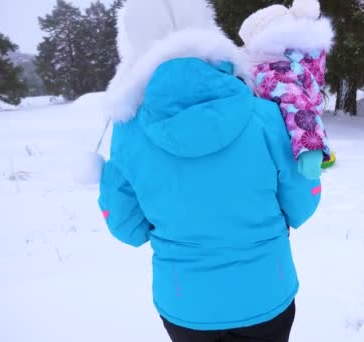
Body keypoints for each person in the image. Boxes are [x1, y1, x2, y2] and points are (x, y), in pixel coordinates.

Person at [96, 0, 321, 341]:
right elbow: (302, 205)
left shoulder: (128, 134)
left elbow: (128, 229)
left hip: (185, 305)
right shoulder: (263, 116)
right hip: (267, 295)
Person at [239, 0, 335, 180]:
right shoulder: (274, 71)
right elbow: (298, 104)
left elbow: (297, 104)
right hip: (279, 152)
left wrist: (311, 147)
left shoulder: (269, 71)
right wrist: (310, 148)